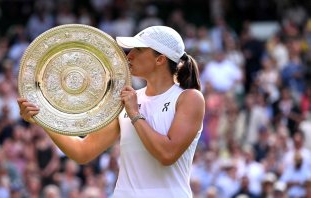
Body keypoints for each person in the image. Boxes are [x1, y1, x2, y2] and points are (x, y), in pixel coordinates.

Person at [18, 26, 205, 198]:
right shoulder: (126, 100)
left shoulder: (190, 99)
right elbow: (83, 152)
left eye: (137, 50)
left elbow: (167, 154)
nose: (128, 56)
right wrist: (42, 118)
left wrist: (134, 114)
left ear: (160, 59)